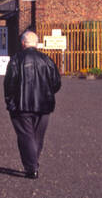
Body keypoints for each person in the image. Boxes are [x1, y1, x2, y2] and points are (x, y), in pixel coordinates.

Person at [4, 30, 62, 178]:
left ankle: (32, 167)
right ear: (36, 43)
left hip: (21, 105)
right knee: (37, 136)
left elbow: (9, 83)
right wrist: (47, 93)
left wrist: (10, 101)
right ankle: (33, 162)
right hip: (43, 105)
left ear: (23, 43)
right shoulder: (47, 60)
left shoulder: (16, 60)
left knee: (26, 136)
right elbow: (56, 83)